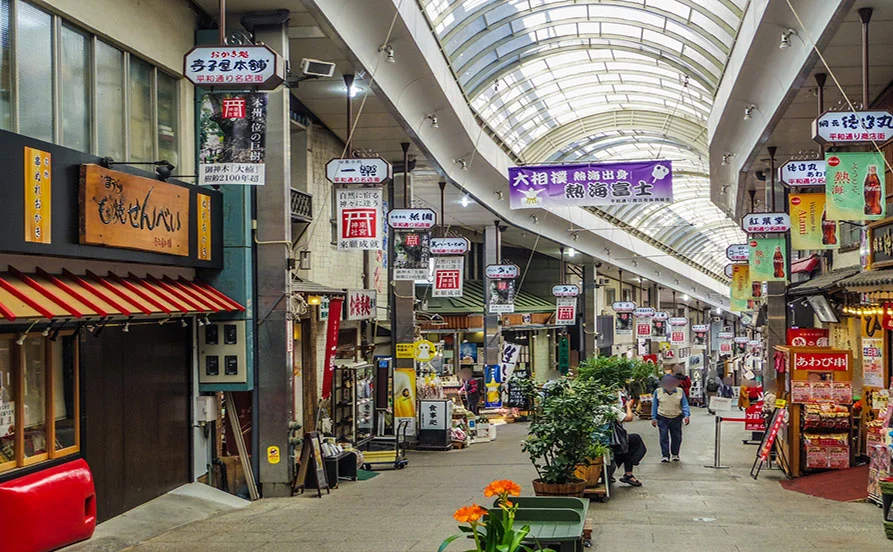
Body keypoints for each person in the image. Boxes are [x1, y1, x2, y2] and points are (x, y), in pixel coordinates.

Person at [651, 374, 690, 462]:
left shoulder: (680, 391)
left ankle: (675, 454)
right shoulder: (658, 391)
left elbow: (684, 404)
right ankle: (665, 455)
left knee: (677, 437)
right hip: (662, 417)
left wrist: (687, 415)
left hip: (676, 417)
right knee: (663, 437)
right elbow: (654, 405)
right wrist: (653, 418)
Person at [612, 394, 647, 487]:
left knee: (628, 442)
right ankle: (629, 472)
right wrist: (628, 407)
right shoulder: (608, 409)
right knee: (634, 441)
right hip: (610, 441)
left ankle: (628, 472)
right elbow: (629, 418)